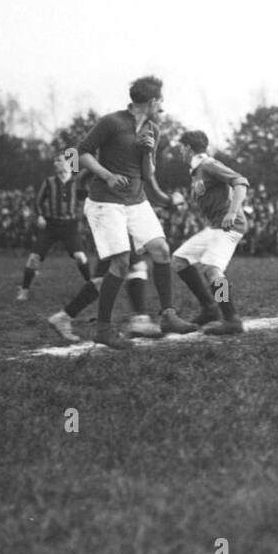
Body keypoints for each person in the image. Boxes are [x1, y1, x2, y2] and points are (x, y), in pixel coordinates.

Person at [70, 75, 199, 349]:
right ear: (152, 101)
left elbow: (148, 173)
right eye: (161, 100)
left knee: (162, 250)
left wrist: (147, 153)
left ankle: (167, 316)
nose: (162, 106)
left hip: (136, 200)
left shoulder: (154, 129)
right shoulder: (112, 122)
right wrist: (106, 175)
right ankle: (103, 329)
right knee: (121, 263)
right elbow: (81, 153)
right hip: (106, 201)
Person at [171, 130, 249, 335]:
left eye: (181, 147)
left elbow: (241, 182)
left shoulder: (208, 165)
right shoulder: (197, 170)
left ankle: (232, 319)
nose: (180, 151)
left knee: (212, 270)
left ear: (188, 148)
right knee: (179, 259)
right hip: (215, 227)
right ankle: (209, 307)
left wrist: (232, 212)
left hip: (229, 226)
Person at [18, 153, 90, 300]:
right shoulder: (48, 182)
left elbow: (88, 200)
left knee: (80, 257)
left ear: (69, 164)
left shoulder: (77, 183)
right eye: (55, 161)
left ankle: (90, 286)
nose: (55, 163)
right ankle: (24, 290)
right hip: (50, 225)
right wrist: (39, 216)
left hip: (70, 225)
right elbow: (38, 203)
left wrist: (86, 218)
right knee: (34, 258)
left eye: (59, 160)